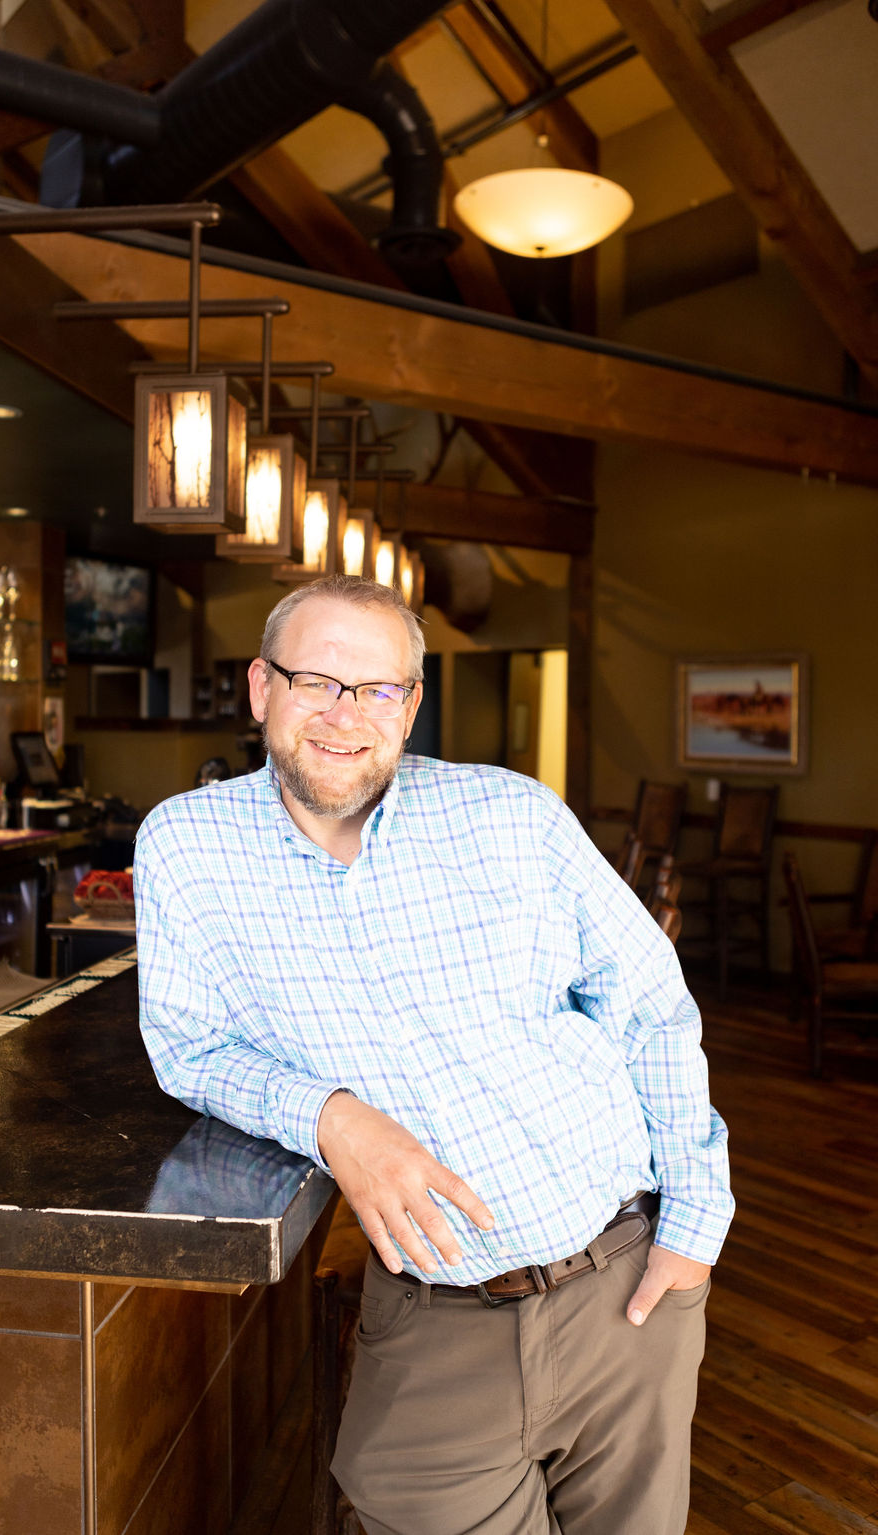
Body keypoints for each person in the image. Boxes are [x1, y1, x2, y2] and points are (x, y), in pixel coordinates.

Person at [134, 574, 734, 1535]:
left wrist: (695, 1228)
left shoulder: (513, 815)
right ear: (260, 687)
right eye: (315, 681)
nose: (344, 715)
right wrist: (333, 1118)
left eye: (377, 689)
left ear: (410, 705)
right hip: (432, 1315)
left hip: (624, 1283)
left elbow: (652, 1005)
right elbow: (189, 1046)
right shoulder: (186, 846)